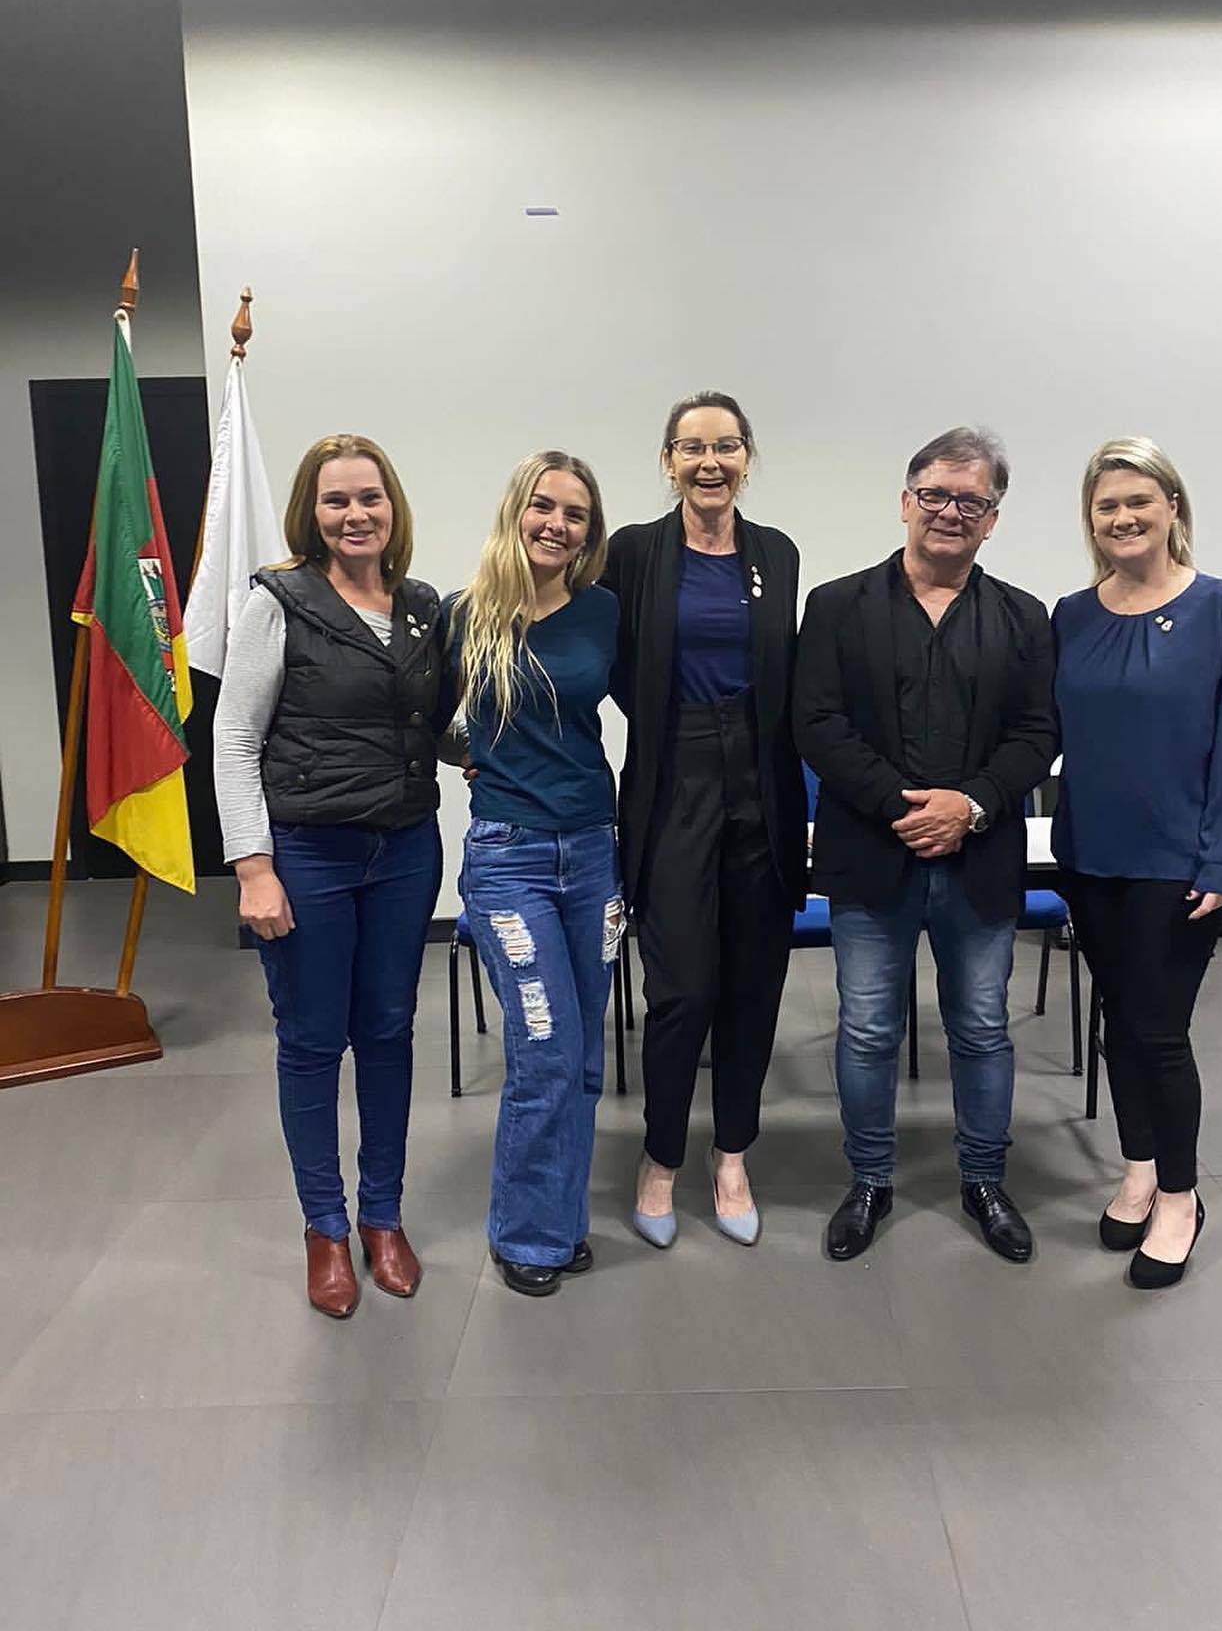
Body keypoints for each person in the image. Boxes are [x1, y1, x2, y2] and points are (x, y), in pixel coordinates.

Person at [795, 428, 1057, 1264]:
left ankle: (983, 1179)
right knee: (869, 1028)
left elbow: (1038, 732)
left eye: (971, 501)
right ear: (906, 501)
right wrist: (904, 807)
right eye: (936, 495)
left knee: (981, 1027)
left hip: (978, 858)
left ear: (992, 520)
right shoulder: (836, 606)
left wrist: (971, 806)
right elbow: (817, 723)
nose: (951, 512)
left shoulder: (1024, 617)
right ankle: (870, 1179)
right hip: (873, 853)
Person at [214, 435, 445, 1318]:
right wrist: (254, 868)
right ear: (311, 512)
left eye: (370, 499)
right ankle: (325, 1228)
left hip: (405, 851)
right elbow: (234, 740)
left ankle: (383, 1216)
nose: (356, 516)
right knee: (314, 1042)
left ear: (394, 508)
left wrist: (508, 751)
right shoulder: (280, 601)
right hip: (308, 854)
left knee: (388, 1032)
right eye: (337, 500)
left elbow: (430, 724)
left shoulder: (421, 607)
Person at [1053, 437, 1222, 1290]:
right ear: (1092, 521)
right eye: (1107, 506)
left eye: (1139, 500)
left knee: (1157, 1030)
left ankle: (1180, 1197)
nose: (1123, 517)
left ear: (1172, 507)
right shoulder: (1073, 613)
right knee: (1116, 1024)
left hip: (1179, 863)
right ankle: (1138, 1165)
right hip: (1091, 855)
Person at [603, 391, 807, 1249]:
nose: (710, 462)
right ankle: (659, 1158)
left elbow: (787, 673)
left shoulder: (777, 554)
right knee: (682, 990)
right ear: (668, 463)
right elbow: (609, 662)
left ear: (748, 459)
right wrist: (672, 723)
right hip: (675, 778)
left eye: (726, 446)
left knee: (754, 986)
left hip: (761, 785)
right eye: (692, 448)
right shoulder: (636, 552)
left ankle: (731, 1156)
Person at [448, 451, 623, 1298]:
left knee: (585, 1050)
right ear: (517, 510)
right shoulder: (465, 615)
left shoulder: (604, 614)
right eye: (544, 507)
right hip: (509, 859)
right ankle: (527, 1234)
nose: (557, 524)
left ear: (590, 532)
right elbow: (418, 723)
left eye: (576, 514)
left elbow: (652, 709)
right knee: (545, 1047)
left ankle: (558, 1220)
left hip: (594, 852)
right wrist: (476, 760)